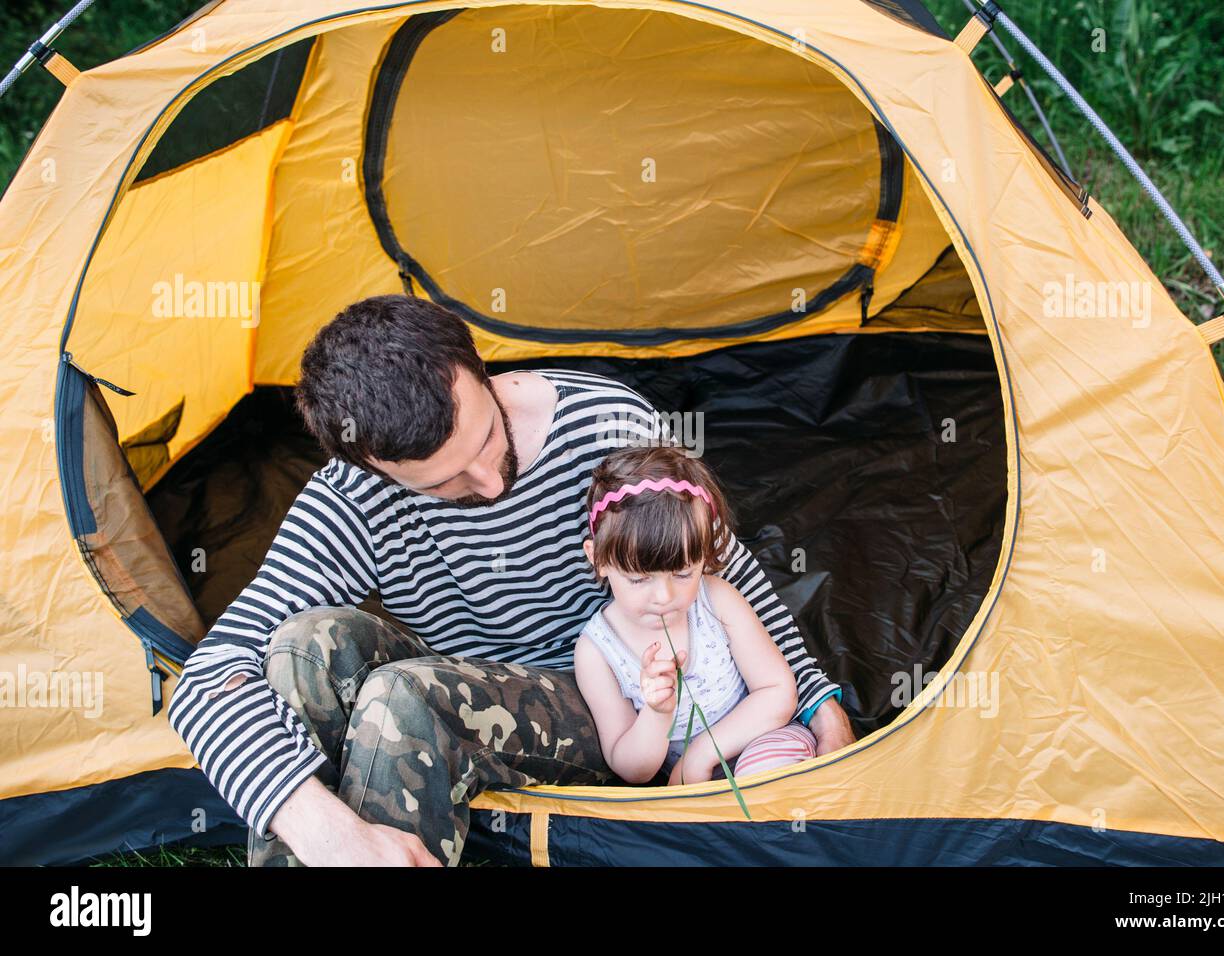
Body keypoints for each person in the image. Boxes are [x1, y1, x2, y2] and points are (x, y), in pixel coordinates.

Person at [166, 294, 852, 866]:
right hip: (466, 679)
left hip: (608, 699)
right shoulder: (349, 500)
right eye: (445, 483)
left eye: (488, 438)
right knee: (301, 646)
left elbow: (714, 568)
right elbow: (207, 679)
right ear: (371, 468)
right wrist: (324, 829)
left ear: (477, 367)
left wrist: (816, 698)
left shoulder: (605, 425)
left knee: (406, 697)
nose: (490, 483)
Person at [575, 445, 818, 787]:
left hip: (763, 742)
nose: (664, 597)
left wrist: (700, 755)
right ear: (598, 558)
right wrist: (657, 714)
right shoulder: (597, 651)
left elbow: (778, 691)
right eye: (639, 579)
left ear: (704, 556)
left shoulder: (716, 601)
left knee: (762, 771)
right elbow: (630, 768)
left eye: (682, 574)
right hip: (688, 790)